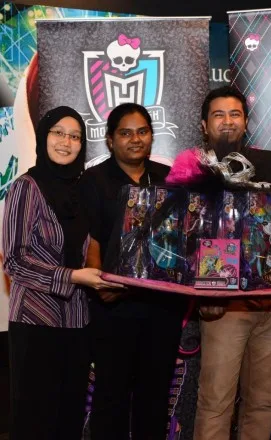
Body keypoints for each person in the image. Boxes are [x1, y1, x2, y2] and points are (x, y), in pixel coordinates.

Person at [166, 86, 271, 440]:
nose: (228, 121)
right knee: (216, 403)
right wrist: (205, 294)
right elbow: (178, 239)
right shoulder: (190, 170)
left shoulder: (269, 162)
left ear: (246, 122)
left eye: (235, 114)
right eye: (219, 115)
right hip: (224, 308)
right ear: (204, 124)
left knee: (263, 402)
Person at [2, 106, 122, 440]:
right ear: (43, 136)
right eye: (58, 133)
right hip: (35, 323)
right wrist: (72, 276)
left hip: (77, 323)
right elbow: (15, 261)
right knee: (35, 421)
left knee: (69, 420)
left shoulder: (81, 192)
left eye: (75, 136)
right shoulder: (26, 188)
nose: (66, 142)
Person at [80, 103, 187, 440]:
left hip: (162, 306)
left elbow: (184, 236)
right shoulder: (94, 181)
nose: (135, 139)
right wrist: (101, 285)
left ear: (152, 136)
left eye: (142, 131)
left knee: (154, 397)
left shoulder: (169, 179)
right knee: (110, 397)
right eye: (125, 133)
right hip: (114, 306)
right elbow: (91, 240)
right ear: (110, 140)